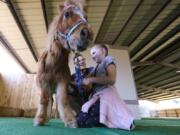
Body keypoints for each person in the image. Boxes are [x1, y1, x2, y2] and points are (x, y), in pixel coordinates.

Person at [76, 44, 135, 130]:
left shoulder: (108, 59)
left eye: (94, 53)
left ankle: (120, 120)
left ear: (103, 51)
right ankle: (104, 120)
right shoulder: (95, 68)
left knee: (82, 121)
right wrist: (82, 75)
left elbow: (112, 79)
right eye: (91, 54)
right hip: (97, 96)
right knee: (81, 117)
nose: (92, 56)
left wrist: (91, 79)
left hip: (106, 93)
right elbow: (86, 81)